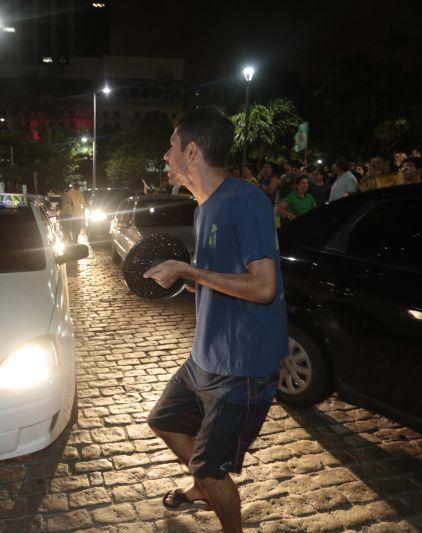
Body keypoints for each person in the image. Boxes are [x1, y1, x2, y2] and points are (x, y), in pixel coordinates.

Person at [143, 106, 287, 533]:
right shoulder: (203, 208)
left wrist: (190, 271)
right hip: (203, 358)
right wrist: (182, 282)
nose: (164, 155)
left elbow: (263, 287)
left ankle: (223, 511)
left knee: (210, 467)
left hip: (241, 367)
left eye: (170, 146)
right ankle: (205, 484)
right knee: (163, 421)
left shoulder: (245, 200)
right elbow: (219, 281)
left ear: (191, 151)